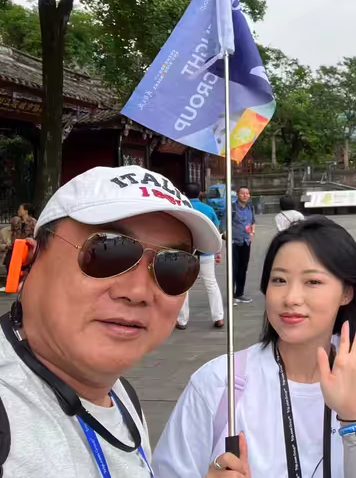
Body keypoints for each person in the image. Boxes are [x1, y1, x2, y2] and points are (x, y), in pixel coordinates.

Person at [0, 165, 221, 477]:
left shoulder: (122, 395)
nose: (138, 292)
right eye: (108, 251)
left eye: (174, 265)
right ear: (29, 263)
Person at [154, 217, 356, 477]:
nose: (291, 298)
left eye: (313, 282)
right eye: (279, 280)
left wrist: (354, 419)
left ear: (347, 293)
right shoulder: (218, 383)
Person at [175, 182, 225, 330]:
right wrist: (217, 251)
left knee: (184, 286)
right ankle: (219, 317)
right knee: (211, 284)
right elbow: (215, 233)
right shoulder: (208, 210)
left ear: (184, 193)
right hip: (206, 252)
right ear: (200, 194)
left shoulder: (181, 209)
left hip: (186, 252)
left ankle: (182, 320)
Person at [230, 186, 255, 305]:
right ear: (237, 195)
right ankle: (231, 296)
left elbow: (253, 222)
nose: (245, 195)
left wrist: (252, 233)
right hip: (234, 242)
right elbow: (224, 225)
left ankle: (239, 294)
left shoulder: (250, 208)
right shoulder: (232, 208)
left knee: (243, 268)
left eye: (247, 193)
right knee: (233, 270)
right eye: (242, 193)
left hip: (246, 241)